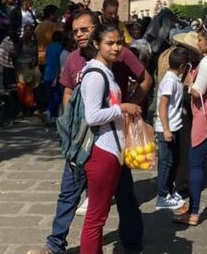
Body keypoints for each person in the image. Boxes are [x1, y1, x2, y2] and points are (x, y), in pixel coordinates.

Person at [29, 10, 150, 254]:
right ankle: (55, 243)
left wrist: (130, 108)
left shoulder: (119, 54)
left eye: (84, 29)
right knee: (70, 194)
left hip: (112, 140)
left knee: (123, 196)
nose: (79, 35)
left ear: (95, 31)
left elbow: (145, 78)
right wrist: (72, 125)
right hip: (85, 141)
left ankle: (132, 242)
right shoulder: (75, 60)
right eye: (75, 31)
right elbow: (67, 92)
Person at [78, 23, 142, 254]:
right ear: (97, 44)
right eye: (109, 43)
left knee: (100, 215)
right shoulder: (95, 74)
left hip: (112, 149)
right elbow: (92, 115)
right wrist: (122, 108)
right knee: (96, 217)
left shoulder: (106, 71)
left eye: (119, 43)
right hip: (101, 150)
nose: (116, 48)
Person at [175, 27, 207, 226]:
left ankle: (194, 212)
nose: (199, 42)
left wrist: (188, 85)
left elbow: (197, 92)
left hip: (206, 118)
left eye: (202, 39)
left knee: (196, 164)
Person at [154, 47, 191, 211]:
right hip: (166, 128)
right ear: (182, 66)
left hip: (173, 126)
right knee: (166, 163)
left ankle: (168, 192)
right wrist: (166, 129)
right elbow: (163, 106)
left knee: (172, 161)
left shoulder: (174, 79)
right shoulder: (170, 81)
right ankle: (162, 195)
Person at [44, 31, 65, 121]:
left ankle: (51, 113)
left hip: (47, 73)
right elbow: (58, 64)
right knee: (57, 96)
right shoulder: (60, 48)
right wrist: (56, 78)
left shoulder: (48, 47)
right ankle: (50, 112)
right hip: (55, 75)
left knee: (50, 95)